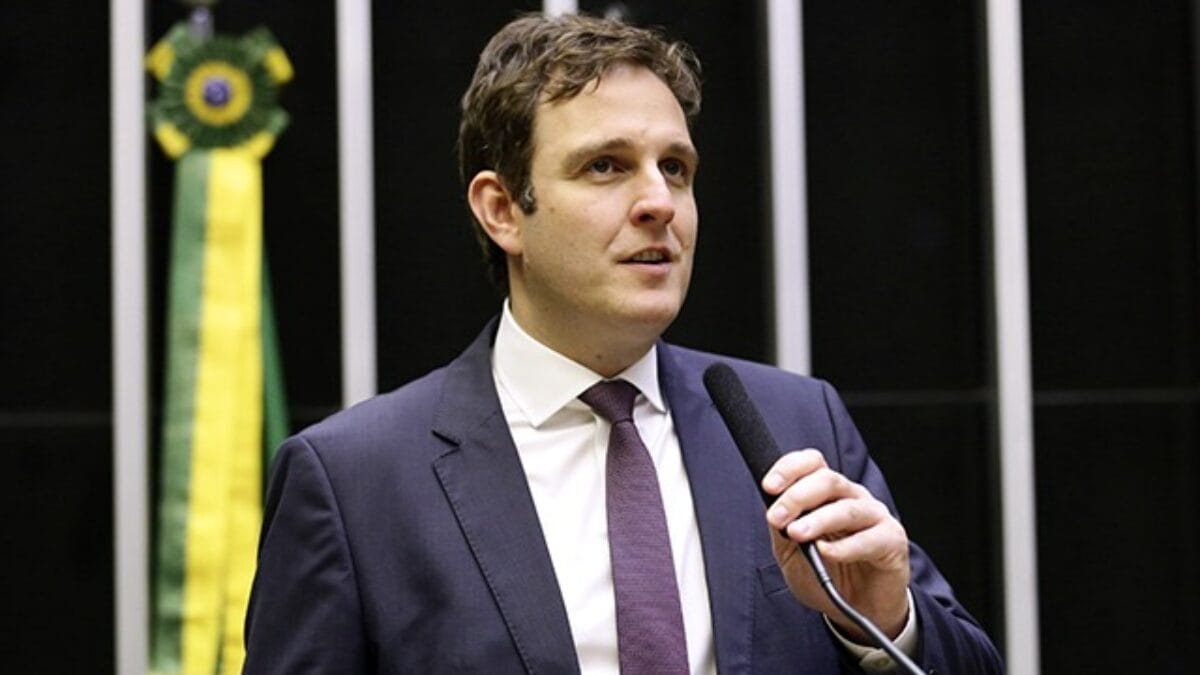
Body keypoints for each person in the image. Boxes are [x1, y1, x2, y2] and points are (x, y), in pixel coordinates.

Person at [243, 12, 1002, 674]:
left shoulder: (796, 423)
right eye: (606, 166)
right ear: (502, 210)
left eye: (676, 168)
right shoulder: (354, 481)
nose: (659, 202)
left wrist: (879, 621)